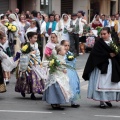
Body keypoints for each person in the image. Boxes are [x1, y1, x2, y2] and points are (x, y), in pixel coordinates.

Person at [82, 27, 120, 109]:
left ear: (109, 34)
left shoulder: (113, 42)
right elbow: (95, 54)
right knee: (102, 83)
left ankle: (108, 99)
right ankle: (102, 101)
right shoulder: (99, 43)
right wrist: (108, 55)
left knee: (111, 84)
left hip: (112, 66)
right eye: (101, 34)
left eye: (104, 34)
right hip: (102, 65)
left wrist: (115, 54)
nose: (102, 36)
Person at [15, 32, 44, 100]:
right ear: (30, 38)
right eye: (34, 38)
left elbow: (38, 54)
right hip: (27, 65)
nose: (36, 39)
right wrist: (30, 53)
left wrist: (39, 62)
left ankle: (33, 93)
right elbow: (22, 54)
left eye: (36, 38)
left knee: (34, 78)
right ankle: (23, 90)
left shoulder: (36, 45)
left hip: (34, 64)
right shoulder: (26, 45)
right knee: (26, 78)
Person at [43, 45, 72, 110]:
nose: (65, 51)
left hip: (60, 75)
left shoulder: (61, 57)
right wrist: (63, 69)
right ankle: (54, 102)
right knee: (57, 88)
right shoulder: (57, 58)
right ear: (59, 52)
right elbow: (58, 65)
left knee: (61, 88)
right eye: (63, 50)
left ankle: (57, 103)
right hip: (56, 75)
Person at [61, 40, 80, 108]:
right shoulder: (61, 54)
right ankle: (61, 100)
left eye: (68, 45)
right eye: (65, 45)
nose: (67, 47)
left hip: (71, 71)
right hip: (64, 70)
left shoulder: (70, 53)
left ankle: (73, 101)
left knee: (73, 85)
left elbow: (74, 63)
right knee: (64, 86)